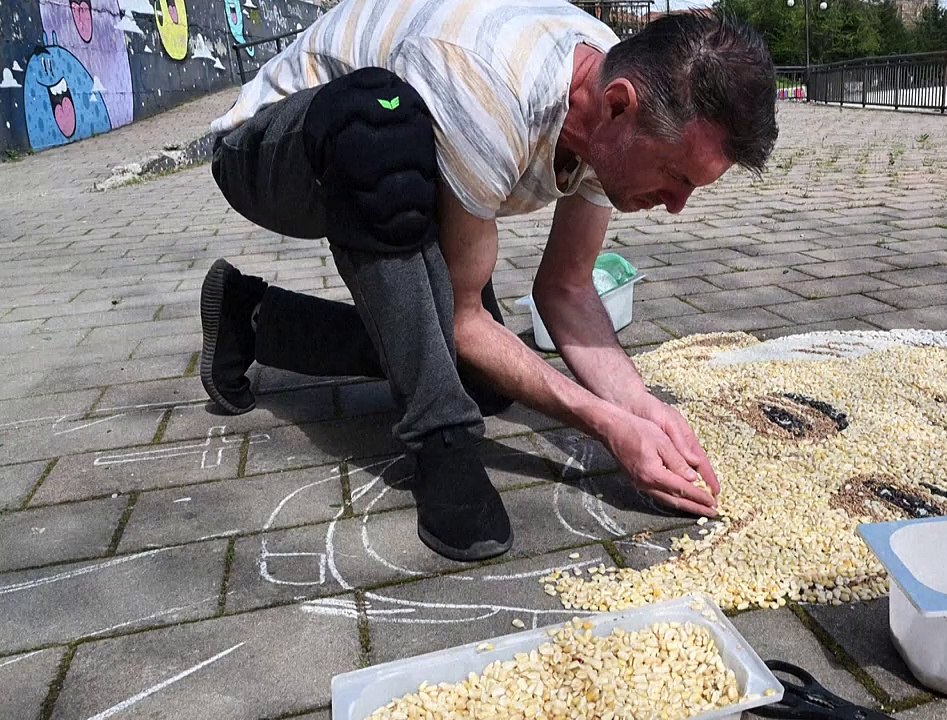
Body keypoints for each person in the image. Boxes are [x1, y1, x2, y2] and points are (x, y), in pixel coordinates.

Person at [201, 0, 778, 564]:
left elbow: (567, 290)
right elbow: (461, 317)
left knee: (485, 378)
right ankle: (440, 438)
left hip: (391, 144)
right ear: (619, 106)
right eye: (677, 177)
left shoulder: (615, 89)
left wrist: (639, 405)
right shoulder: (492, 83)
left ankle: (252, 321)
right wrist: (606, 426)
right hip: (269, 147)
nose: (678, 206)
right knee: (378, 125)